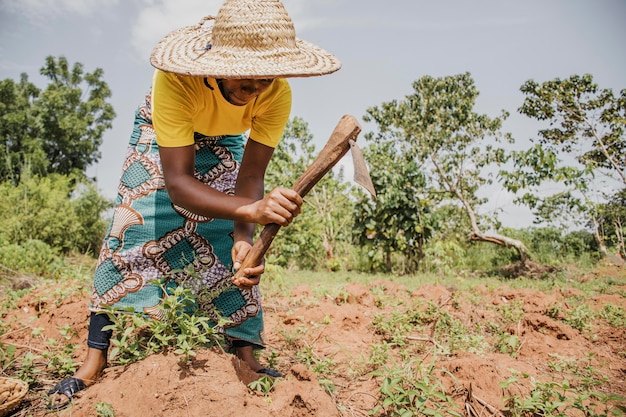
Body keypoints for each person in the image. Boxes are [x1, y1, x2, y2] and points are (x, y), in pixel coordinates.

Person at [47, 0, 340, 410]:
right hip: (162, 136)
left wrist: (244, 235)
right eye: (247, 78)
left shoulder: (275, 95)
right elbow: (180, 185)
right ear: (221, 63)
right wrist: (250, 210)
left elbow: (251, 178)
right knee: (131, 227)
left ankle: (245, 356)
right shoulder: (176, 81)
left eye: (268, 78)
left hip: (225, 140)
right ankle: (93, 362)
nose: (257, 88)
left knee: (227, 241)